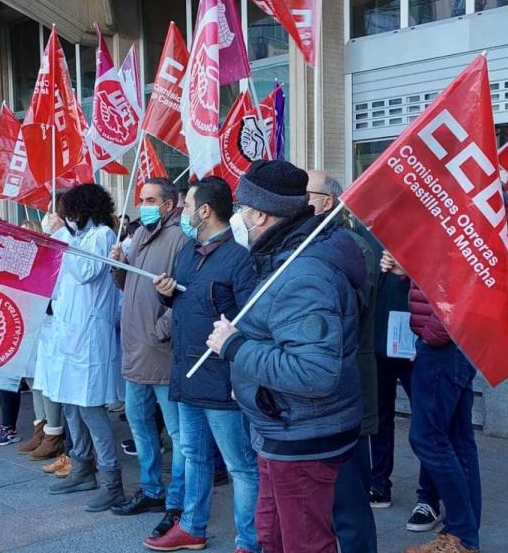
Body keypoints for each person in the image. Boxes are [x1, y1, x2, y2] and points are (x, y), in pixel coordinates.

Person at [205, 160, 364, 553]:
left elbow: (314, 372)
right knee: (273, 535)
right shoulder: (281, 256)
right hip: (280, 427)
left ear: (260, 213)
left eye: (241, 209)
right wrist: (247, 379)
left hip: (303, 435)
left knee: (305, 543)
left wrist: (235, 348)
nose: (238, 217)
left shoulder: (304, 272)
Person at [146, 176, 260, 552]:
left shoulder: (239, 260)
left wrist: (239, 373)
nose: (184, 213)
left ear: (206, 211)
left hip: (221, 378)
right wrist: (166, 295)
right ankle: (193, 527)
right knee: (194, 455)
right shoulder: (188, 252)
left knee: (240, 465)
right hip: (187, 373)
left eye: (189, 206)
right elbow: (184, 304)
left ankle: (250, 539)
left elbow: (249, 322)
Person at [384, 251, 481, 553]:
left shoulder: (461, 219)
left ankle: (461, 536)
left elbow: (458, 285)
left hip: (445, 344)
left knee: (428, 438)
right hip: (451, 342)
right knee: (457, 440)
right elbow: (442, 276)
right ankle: (462, 537)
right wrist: (411, 267)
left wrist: (430, 336)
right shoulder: (461, 221)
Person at [306, 170, 381, 553]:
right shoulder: (306, 241)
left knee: (348, 496)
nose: (299, 201)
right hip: (315, 388)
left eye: (307, 193)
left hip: (344, 383)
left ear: (328, 201)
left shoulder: (352, 246)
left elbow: (346, 308)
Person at [109, 177, 188, 535]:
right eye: (141, 198)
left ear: (169, 205)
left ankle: (178, 501)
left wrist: (160, 331)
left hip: (160, 352)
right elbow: (128, 285)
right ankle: (152, 488)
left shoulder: (180, 239)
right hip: (135, 350)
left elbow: (185, 296)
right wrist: (118, 264)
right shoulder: (140, 234)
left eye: (151, 199)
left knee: (177, 433)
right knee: (140, 426)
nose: (143, 204)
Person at [45, 184, 125, 513]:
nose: (68, 217)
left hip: (91, 335)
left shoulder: (103, 235)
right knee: (69, 404)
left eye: (70, 212)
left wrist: (61, 235)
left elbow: (86, 272)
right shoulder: (77, 237)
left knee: (91, 407)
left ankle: (111, 481)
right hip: (68, 333)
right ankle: (81, 467)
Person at [369, 255, 442, 530]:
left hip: (419, 339)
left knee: (427, 424)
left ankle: (429, 498)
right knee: (379, 418)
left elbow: (447, 279)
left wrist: (410, 269)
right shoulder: (366, 227)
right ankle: (378, 485)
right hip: (378, 336)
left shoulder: (427, 227)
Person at [20, 218, 68, 461]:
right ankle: (40, 427)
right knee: (32, 378)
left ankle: (53, 433)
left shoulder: (50, 255)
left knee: (46, 379)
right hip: (30, 323)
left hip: (49, 325)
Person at [31, 208, 75, 468]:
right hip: (49, 323)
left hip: (69, 329)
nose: (48, 219)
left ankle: (66, 445)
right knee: (44, 382)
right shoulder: (52, 244)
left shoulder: (74, 242)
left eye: (53, 214)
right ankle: (49, 432)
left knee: (67, 393)